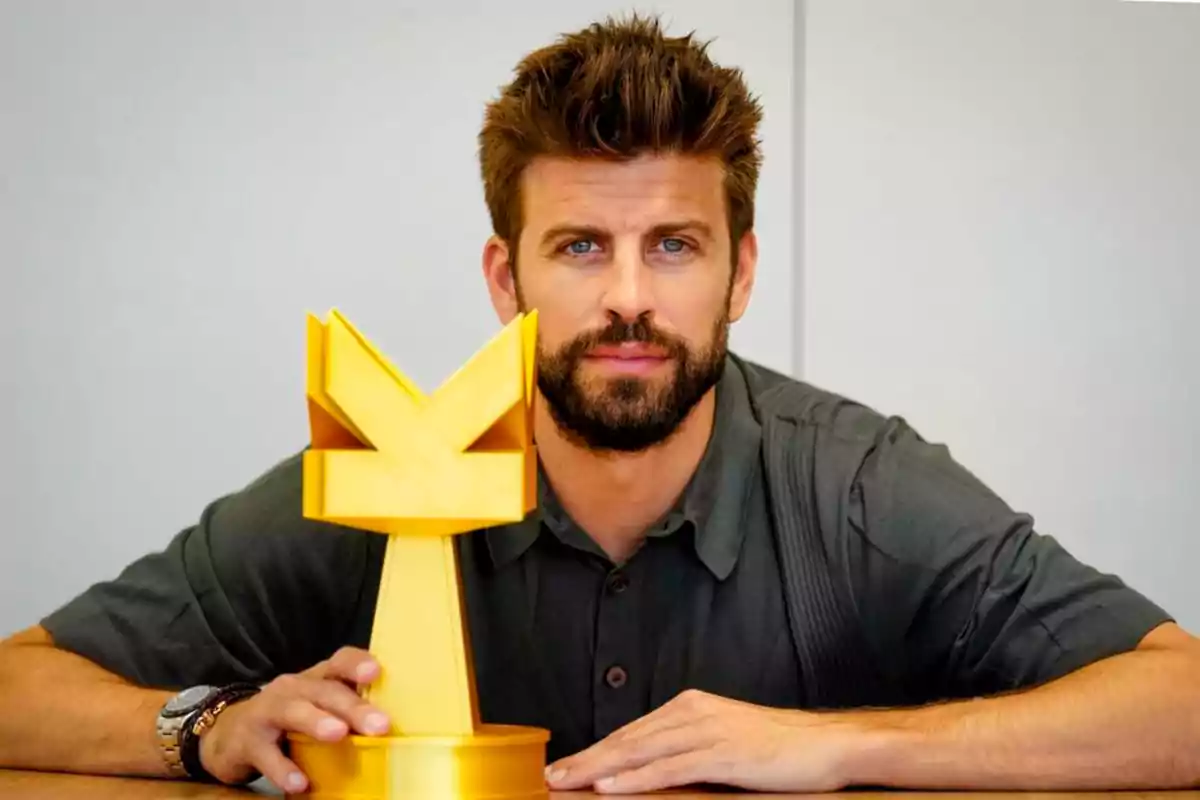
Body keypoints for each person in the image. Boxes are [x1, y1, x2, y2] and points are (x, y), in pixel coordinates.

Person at [1, 13, 1198, 797]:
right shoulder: (384, 472)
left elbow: (1180, 699)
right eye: (580, 245)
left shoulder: (856, 488)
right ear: (504, 276)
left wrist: (842, 745)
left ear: (741, 270)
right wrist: (200, 725)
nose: (629, 298)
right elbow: (22, 681)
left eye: (674, 244)